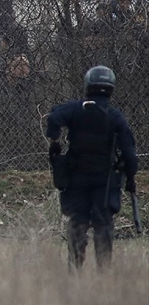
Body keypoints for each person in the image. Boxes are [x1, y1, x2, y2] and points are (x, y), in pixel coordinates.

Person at [46, 66, 138, 271]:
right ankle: (103, 271)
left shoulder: (77, 109)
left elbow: (53, 118)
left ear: (88, 85)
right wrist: (130, 177)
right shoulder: (115, 117)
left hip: (77, 176)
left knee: (77, 222)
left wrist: (54, 143)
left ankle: (74, 268)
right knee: (103, 225)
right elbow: (130, 155)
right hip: (104, 180)